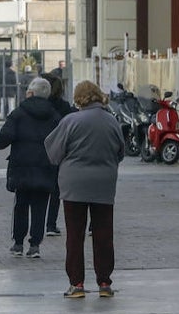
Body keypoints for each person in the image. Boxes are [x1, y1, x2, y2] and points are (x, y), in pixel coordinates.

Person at [44, 80, 125, 299]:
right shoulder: (111, 121)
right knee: (103, 234)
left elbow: (53, 153)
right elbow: (121, 151)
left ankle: (77, 284)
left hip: (74, 185)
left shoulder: (70, 121)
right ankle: (105, 283)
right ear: (99, 96)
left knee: (75, 234)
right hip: (104, 184)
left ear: (78, 98)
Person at [0, 76, 61, 259]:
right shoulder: (55, 116)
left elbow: (6, 136)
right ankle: (35, 245)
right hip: (46, 166)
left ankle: (18, 243)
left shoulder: (19, 113)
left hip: (22, 166)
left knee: (21, 204)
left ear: (30, 93)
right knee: (40, 206)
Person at [42, 73, 75, 237]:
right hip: (58, 150)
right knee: (55, 189)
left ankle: (38, 224)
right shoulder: (64, 106)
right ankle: (50, 224)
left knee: (40, 190)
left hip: (39, 151)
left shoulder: (38, 105)